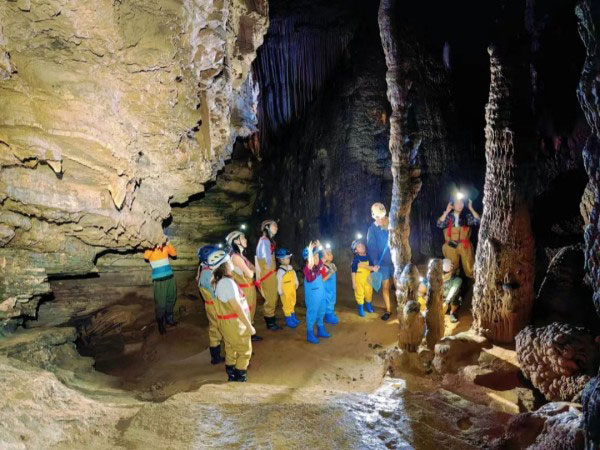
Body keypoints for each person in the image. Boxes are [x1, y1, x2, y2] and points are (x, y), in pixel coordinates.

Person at [208, 249, 255, 382]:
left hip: (226, 324)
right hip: (235, 324)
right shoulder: (227, 283)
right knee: (244, 350)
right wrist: (248, 325)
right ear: (225, 265)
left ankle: (231, 375)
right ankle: (240, 378)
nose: (232, 262)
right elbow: (237, 307)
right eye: (229, 261)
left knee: (230, 348)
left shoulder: (218, 282)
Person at [226, 230, 263, 342]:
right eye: (243, 238)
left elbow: (253, 268)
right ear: (236, 241)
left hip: (249, 287)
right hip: (243, 289)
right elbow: (250, 272)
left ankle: (249, 335)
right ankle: (245, 339)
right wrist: (251, 271)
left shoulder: (241, 256)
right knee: (245, 312)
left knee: (250, 311)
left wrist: (252, 270)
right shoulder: (236, 257)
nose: (245, 240)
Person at [436, 194, 480, 279]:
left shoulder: (466, 217)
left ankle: (473, 281)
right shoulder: (448, 216)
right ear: (452, 205)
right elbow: (439, 224)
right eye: (457, 203)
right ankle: (451, 280)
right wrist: (446, 212)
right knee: (451, 267)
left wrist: (471, 208)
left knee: (469, 266)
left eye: (462, 203)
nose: (460, 205)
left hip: (465, 245)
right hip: (450, 245)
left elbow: (478, 220)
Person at [196, 245, 225, 365]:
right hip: (214, 303)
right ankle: (217, 356)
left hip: (210, 303)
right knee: (219, 327)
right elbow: (215, 289)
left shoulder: (203, 269)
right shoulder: (208, 274)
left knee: (214, 328)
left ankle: (216, 355)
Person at [144, 239, 177, 335]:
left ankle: (169, 320)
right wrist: (152, 246)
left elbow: (174, 254)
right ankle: (160, 324)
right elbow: (146, 256)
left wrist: (168, 243)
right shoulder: (150, 249)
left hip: (170, 277)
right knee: (161, 303)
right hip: (159, 280)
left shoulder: (165, 247)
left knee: (171, 298)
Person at [367, 203, 394, 320]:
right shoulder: (372, 230)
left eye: (383, 217)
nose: (381, 220)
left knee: (399, 284)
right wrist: (375, 261)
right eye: (379, 217)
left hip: (395, 260)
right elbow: (371, 247)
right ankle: (388, 310)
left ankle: (403, 308)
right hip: (382, 263)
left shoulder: (391, 222)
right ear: (374, 216)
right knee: (385, 286)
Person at [255, 219, 282, 331]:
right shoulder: (265, 241)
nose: (276, 228)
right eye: (274, 226)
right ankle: (270, 322)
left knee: (272, 297)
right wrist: (268, 265)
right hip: (268, 274)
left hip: (270, 273)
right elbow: (265, 257)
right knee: (271, 297)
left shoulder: (267, 241)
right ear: (267, 227)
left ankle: (270, 318)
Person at [303, 240, 331, 344]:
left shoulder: (318, 266)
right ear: (308, 259)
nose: (317, 258)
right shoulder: (307, 270)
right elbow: (310, 263)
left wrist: (321, 246)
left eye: (317, 256)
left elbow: (326, 257)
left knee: (321, 311)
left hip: (321, 295)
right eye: (314, 256)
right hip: (312, 298)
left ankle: (320, 330)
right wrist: (310, 250)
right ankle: (310, 334)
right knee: (312, 314)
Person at [351, 238, 379, 318]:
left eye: (362, 245)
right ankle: (360, 307)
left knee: (369, 292)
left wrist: (375, 268)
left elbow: (372, 266)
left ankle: (368, 304)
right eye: (359, 246)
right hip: (359, 281)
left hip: (368, 280)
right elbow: (353, 271)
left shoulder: (368, 256)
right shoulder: (356, 259)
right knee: (359, 294)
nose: (362, 246)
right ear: (355, 250)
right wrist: (353, 283)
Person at [275, 248, 300, 328]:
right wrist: (280, 291)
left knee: (292, 303)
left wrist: (296, 282)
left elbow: (294, 276)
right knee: (287, 305)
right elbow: (278, 282)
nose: (289, 259)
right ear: (281, 259)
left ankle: (293, 317)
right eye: (287, 258)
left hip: (292, 290)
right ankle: (289, 319)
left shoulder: (290, 267)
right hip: (285, 292)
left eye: (289, 258)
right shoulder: (280, 271)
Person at [442, 258, 463, 323]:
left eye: (445, 272)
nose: (443, 274)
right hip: (441, 300)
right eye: (442, 272)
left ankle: (452, 312)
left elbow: (452, 292)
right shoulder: (437, 277)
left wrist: (446, 302)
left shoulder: (457, 280)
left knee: (455, 294)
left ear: (451, 270)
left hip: (450, 302)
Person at [321, 246, 339, 325]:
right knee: (328, 300)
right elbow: (323, 279)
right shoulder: (323, 267)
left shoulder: (331, 265)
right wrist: (331, 272)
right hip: (326, 289)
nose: (331, 255)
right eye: (328, 254)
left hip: (332, 289)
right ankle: (328, 316)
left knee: (332, 299)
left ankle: (330, 313)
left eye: (331, 253)